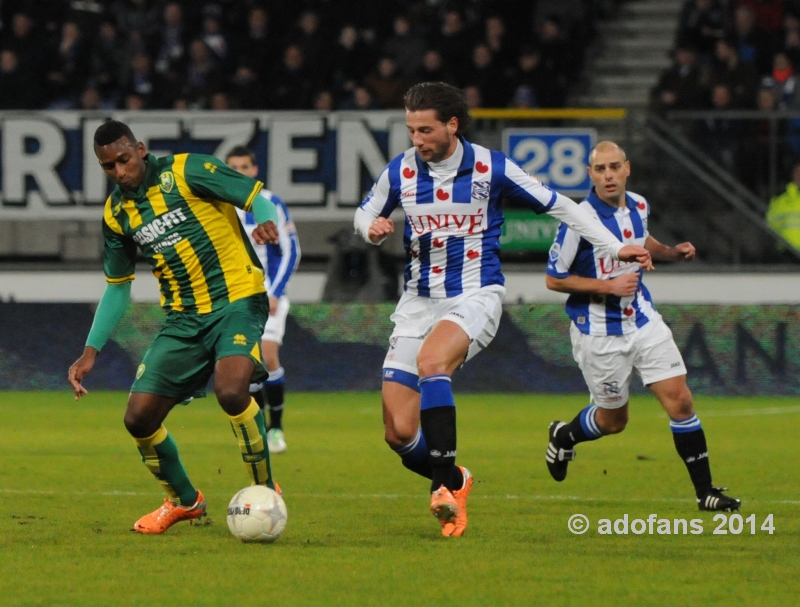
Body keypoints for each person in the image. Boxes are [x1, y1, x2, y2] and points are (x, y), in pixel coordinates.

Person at [354, 82, 653, 538]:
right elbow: (364, 213)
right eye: (412, 130)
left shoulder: (491, 168)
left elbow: (562, 207)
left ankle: (442, 490)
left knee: (433, 363)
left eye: (426, 130)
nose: (417, 140)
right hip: (417, 301)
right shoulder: (400, 172)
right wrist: (371, 228)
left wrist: (616, 246)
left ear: (452, 125)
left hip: (476, 294)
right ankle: (457, 479)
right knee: (397, 433)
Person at [68, 120, 281, 534]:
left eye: (124, 160)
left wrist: (267, 220)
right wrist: (91, 349)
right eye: (108, 167)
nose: (119, 172)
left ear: (141, 150)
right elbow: (117, 287)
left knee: (232, 390)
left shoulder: (186, 171)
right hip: (183, 319)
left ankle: (266, 490)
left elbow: (256, 196)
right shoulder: (116, 213)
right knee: (138, 419)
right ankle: (185, 501)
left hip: (237, 299)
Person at [544, 140, 741, 513]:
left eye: (614, 167)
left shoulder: (638, 204)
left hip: (643, 320)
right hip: (598, 332)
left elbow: (639, 239)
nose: (608, 175)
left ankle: (706, 494)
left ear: (627, 168)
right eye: (600, 169)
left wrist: (669, 251)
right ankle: (564, 435)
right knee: (613, 421)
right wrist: (607, 286)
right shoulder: (577, 219)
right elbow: (554, 279)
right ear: (590, 175)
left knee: (680, 401)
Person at [225, 146, 302, 453]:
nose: (239, 172)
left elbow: (291, 250)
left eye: (245, 166)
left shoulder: (269, 202)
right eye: (233, 167)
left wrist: (276, 291)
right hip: (232, 298)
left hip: (265, 294)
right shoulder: (219, 205)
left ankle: (276, 430)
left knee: (268, 357)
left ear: (254, 171)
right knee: (246, 364)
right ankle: (257, 432)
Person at [766, 160, 800, 249]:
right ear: (793, 174)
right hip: (787, 254)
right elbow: (770, 226)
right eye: (797, 172)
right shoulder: (780, 201)